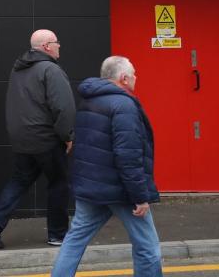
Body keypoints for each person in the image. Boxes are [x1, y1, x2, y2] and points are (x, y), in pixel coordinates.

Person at [51, 56, 162, 276]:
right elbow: (128, 155)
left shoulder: (89, 101)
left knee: (74, 240)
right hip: (120, 190)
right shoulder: (124, 105)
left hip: (91, 187)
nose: (136, 77)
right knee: (147, 246)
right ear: (123, 78)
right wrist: (139, 196)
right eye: (134, 74)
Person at [0, 29, 75, 249]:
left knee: (20, 180)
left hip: (23, 139)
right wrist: (67, 135)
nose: (59, 45)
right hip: (47, 139)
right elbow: (63, 108)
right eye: (56, 42)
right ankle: (58, 235)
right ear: (46, 46)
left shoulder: (19, 69)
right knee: (59, 184)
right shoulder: (51, 70)